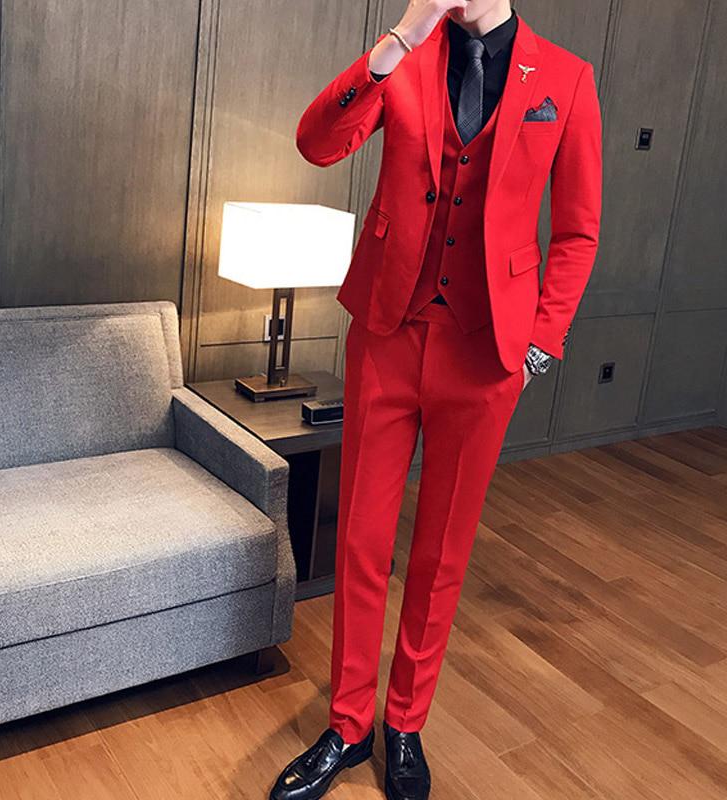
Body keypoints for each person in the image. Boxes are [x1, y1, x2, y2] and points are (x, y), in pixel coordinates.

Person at [271, 0, 602, 797]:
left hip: (486, 352)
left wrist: (541, 340)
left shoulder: (566, 80)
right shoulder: (408, 56)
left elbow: (578, 231)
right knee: (361, 540)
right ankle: (348, 724)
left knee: (442, 550)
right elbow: (318, 143)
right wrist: (399, 38)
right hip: (388, 332)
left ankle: (404, 723)